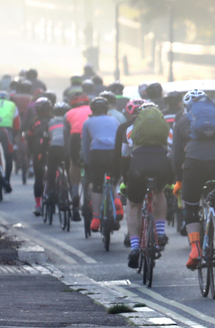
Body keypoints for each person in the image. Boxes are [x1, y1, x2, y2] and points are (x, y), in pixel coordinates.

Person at [174, 89, 215, 269]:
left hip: (193, 165)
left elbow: (175, 155)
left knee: (191, 206)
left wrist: (179, 179)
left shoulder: (182, 121)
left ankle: (196, 250)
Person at [123, 102, 173, 266]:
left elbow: (125, 153)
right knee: (159, 192)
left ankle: (135, 247)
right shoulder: (165, 127)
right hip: (160, 162)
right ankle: (160, 233)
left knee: (134, 205)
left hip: (139, 164)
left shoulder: (130, 128)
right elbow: (171, 149)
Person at [81, 97, 121, 232]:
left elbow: (85, 145)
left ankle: (96, 218)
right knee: (113, 179)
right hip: (113, 152)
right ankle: (116, 200)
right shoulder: (114, 120)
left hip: (97, 153)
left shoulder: (88, 122)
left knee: (97, 185)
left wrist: (86, 161)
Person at [65, 93, 92, 221]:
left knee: (74, 164)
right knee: (91, 164)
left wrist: (68, 153)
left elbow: (66, 135)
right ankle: (91, 192)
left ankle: (75, 193)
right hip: (91, 134)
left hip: (75, 136)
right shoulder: (93, 109)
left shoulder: (69, 113)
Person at [0, 91, 20, 193]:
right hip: (5, 132)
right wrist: (14, 136)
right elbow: (17, 124)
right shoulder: (12, 105)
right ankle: (7, 181)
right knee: (8, 157)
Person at [28, 97, 53, 216]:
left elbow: (29, 138)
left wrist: (30, 152)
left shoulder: (33, 122)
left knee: (38, 177)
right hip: (53, 146)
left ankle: (38, 205)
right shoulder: (53, 120)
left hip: (38, 148)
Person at [45, 102, 71, 214]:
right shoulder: (70, 122)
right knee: (71, 170)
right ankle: (70, 191)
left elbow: (46, 139)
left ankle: (51, 191)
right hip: (67, 148)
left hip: (54, 148)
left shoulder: (50, 122)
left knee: (51, 169)